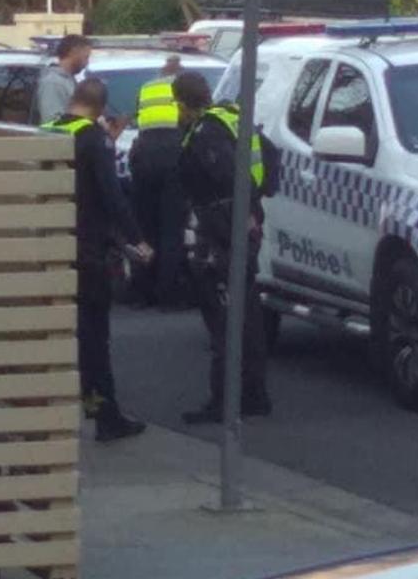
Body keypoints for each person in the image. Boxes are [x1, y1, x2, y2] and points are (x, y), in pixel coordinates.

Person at [42, 77, 153, 442]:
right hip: (88, 251)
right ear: (101, 108)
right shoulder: (94, 139)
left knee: (54, 335)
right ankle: (105, 414)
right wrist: (137, 238)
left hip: (49, 248)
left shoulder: (47, 130)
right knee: (93, 338)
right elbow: (110, 196)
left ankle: (49, 414)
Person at [172, 71, 272, 424]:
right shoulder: (233, 118)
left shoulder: (207, 133)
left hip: (223, 229)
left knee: (224, 318)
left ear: (182, 103)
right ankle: (254, 395)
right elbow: (270, 169)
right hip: (243, 224)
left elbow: (231, 177)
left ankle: (224, 401)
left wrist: (236, 216)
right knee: (247, 313)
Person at [129, 55, 189, 309]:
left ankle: (142, 292)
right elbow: (189, 122)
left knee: (145, 228)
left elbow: (139, 120)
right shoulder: (183, 89)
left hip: (144, 156)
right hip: (174, 156)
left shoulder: (147, 88)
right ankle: (168, 295)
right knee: (171, 230)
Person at [34, 34, 92, 124]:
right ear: (73, 52)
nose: (87, 62)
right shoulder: (53, 83)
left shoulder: (69, 80)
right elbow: (53, 124)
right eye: (86, 57)